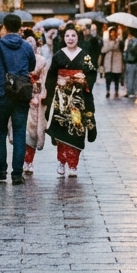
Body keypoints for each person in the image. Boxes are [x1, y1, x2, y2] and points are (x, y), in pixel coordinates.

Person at [0, 13, 36, 184]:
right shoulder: (26, 46)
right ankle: (17, 173)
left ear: (4, 28)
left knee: (0, 133)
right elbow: (32, 65)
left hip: (1, 94)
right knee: (20, 132)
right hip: (21, 94)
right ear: (20, 27)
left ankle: (1, 171)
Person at [45, 25, 98, 176]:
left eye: (73, 36)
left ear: (78, 38)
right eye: (67, 36)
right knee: (61, 129)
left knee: (77, 129)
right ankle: (61, 161)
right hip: (61, 97)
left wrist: (85, 80)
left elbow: (92, 73)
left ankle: (73, 165)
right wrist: (53, 86)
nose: (70, 38)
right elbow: (51, 76)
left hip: (78, 98)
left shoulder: (84, 55)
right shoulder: (58, 55)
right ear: (64, 38)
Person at [21, 29, 51, 175]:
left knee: (32, 131)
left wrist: (42, 95)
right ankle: (21, 160)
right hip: (21, 96)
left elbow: (44, 79)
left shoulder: (42, 61)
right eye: (27, 42)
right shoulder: (19, 58)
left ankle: (29, 161)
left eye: (32, 42)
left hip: (36, 97)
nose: (30, 44)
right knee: (21, 130)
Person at [100, 26, 124, 98]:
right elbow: (103, 50)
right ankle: (108, 91)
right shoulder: (106, 41)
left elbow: (119, 48)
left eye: (114, 32)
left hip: (117, 61)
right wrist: (111, 46)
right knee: (108, 77)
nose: (112, 34)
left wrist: (114, 44)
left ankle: (116, 91)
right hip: (108, 61)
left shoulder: (119, 41)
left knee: (116, 77)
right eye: (111, 32)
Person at [122, 30, 137, 102]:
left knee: (131, 77)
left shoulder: (134, 42)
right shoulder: (129, 41)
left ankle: (131, 91)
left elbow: (133, 52)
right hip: (130, 62)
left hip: (133, 61)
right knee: (130, 77)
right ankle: (130, 91)